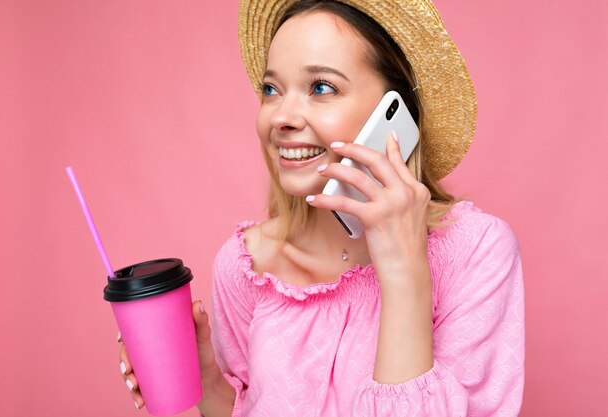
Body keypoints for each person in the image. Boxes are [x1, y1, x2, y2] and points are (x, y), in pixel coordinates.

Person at [118, 0, 525, 416]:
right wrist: (207, 384)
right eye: (271, 90)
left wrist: (404, 273)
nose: (281, 117)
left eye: (321, 88)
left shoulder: (476, 252)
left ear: (395, 112)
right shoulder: (247, 266)